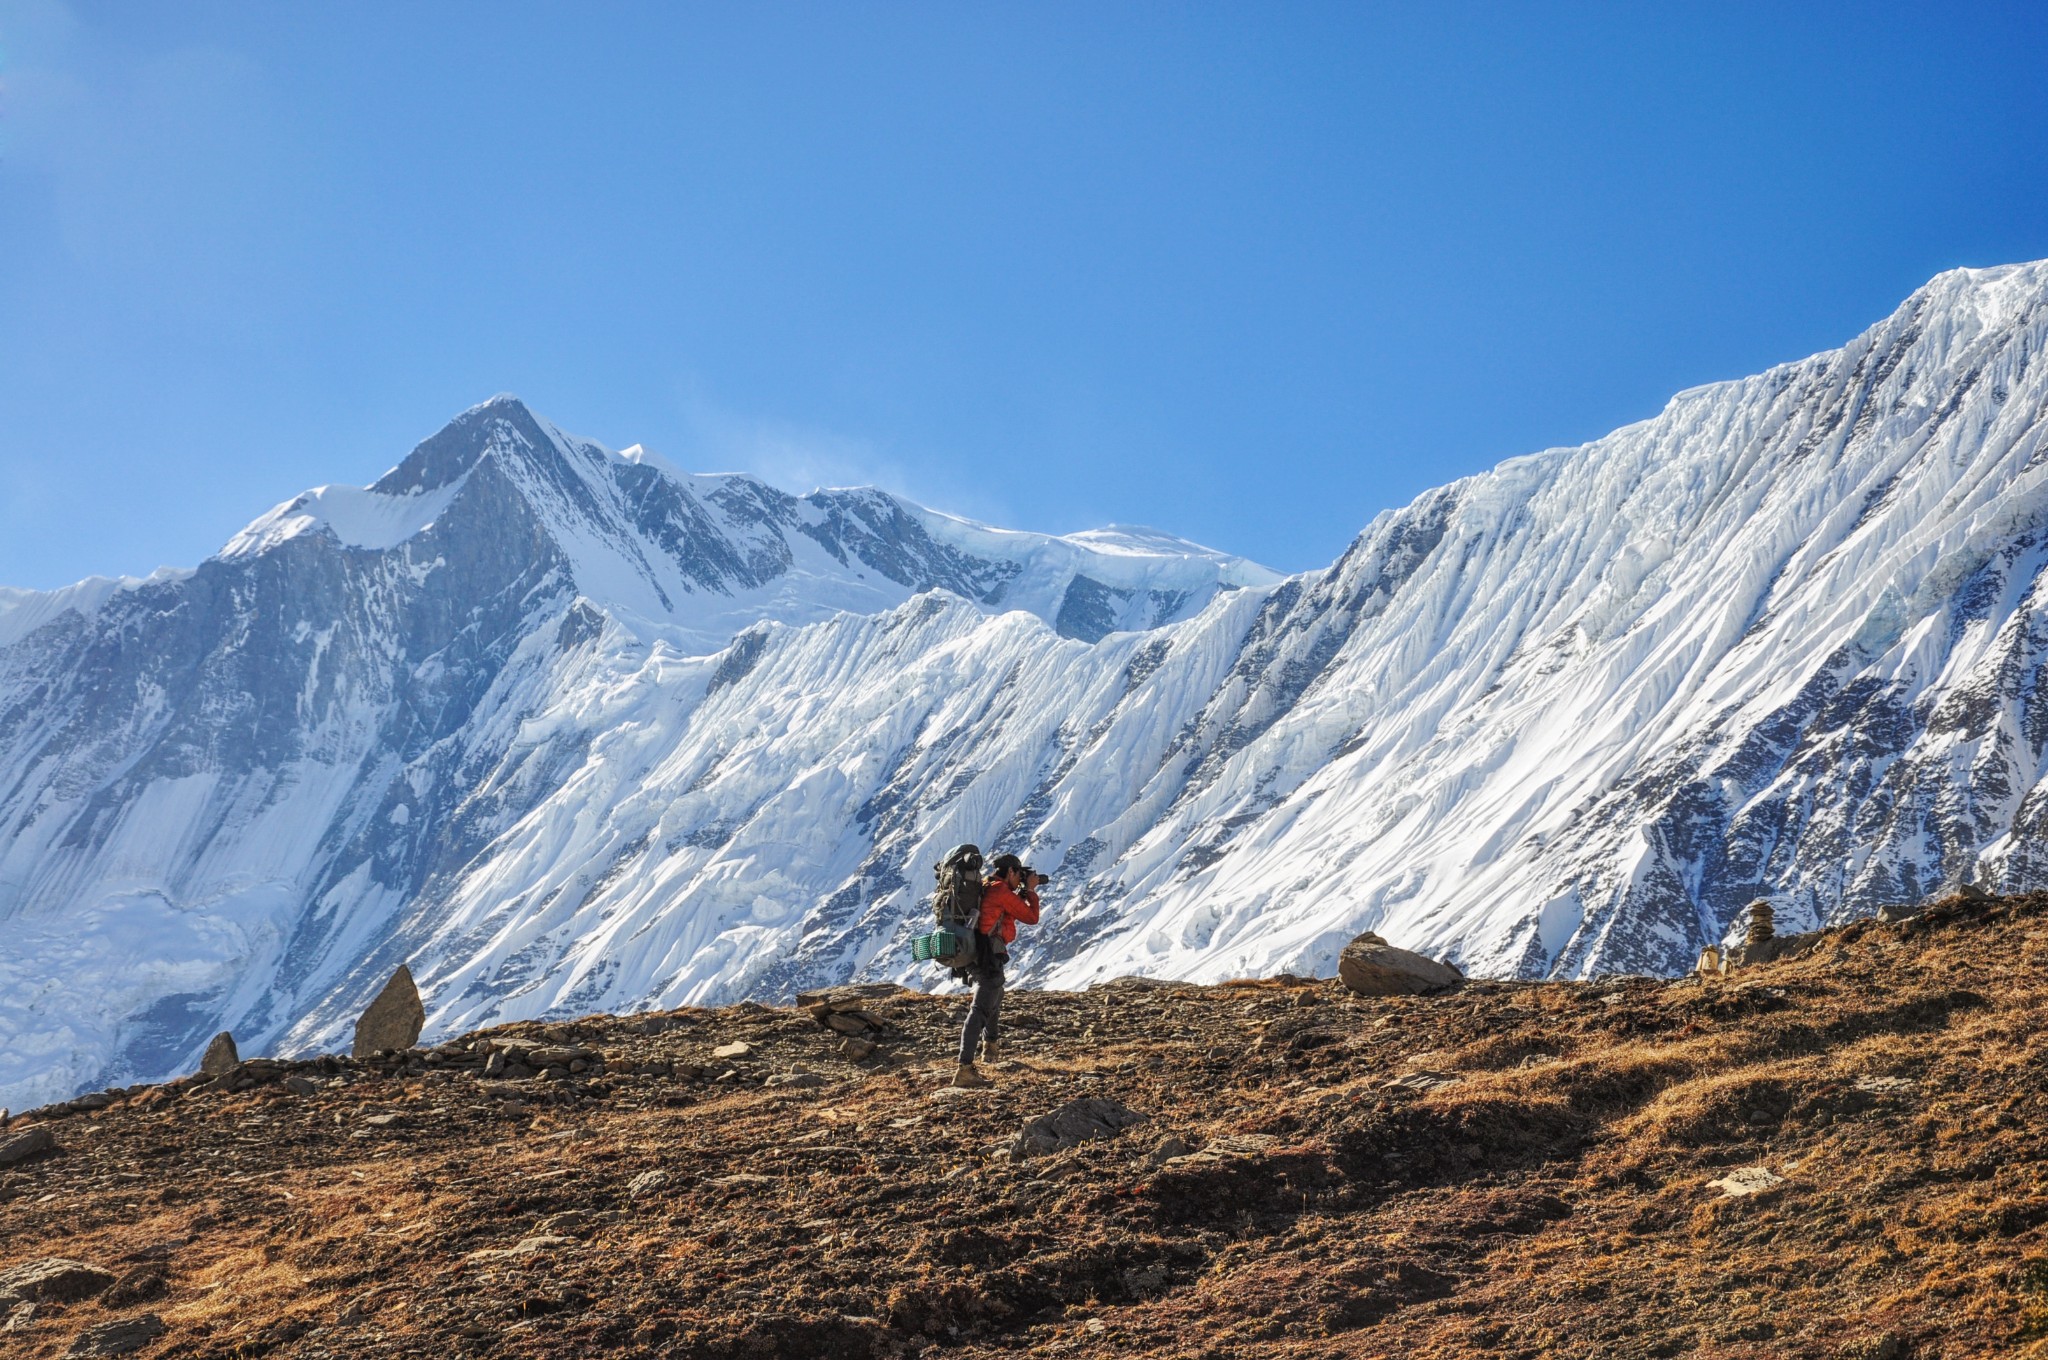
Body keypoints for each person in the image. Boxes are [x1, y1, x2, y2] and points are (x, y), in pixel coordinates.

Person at [953, 852, 1042, 1088]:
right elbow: (1031, 917)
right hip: (987, 956)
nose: (1021, 879)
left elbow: (1001, 910)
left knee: (996, 995)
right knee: (981, 1009)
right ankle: (964, 1069)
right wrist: (1031, 892)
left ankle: (990, 1047)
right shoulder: (1001, 892)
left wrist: (1021, 892)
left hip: (975, 953)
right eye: (1019, 874)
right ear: (1011, 872)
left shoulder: (987, 886)